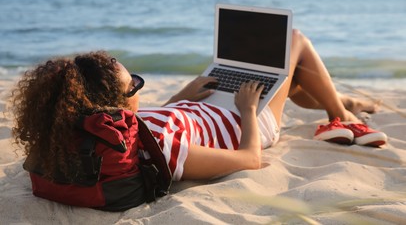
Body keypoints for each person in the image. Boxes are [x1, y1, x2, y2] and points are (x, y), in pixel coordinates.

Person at [11, 29, 386, 210]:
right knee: (294, 40)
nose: (140, 86)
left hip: (203, 107)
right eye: (135, 83)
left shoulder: (111, 128)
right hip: (244, 124)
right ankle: (341, 115)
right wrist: (249, 110)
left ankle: (343, 101)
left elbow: (157, 118)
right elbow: (250, 159)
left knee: (290, 75)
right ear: (117, 104)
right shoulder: (164, 150)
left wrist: (181, 98)